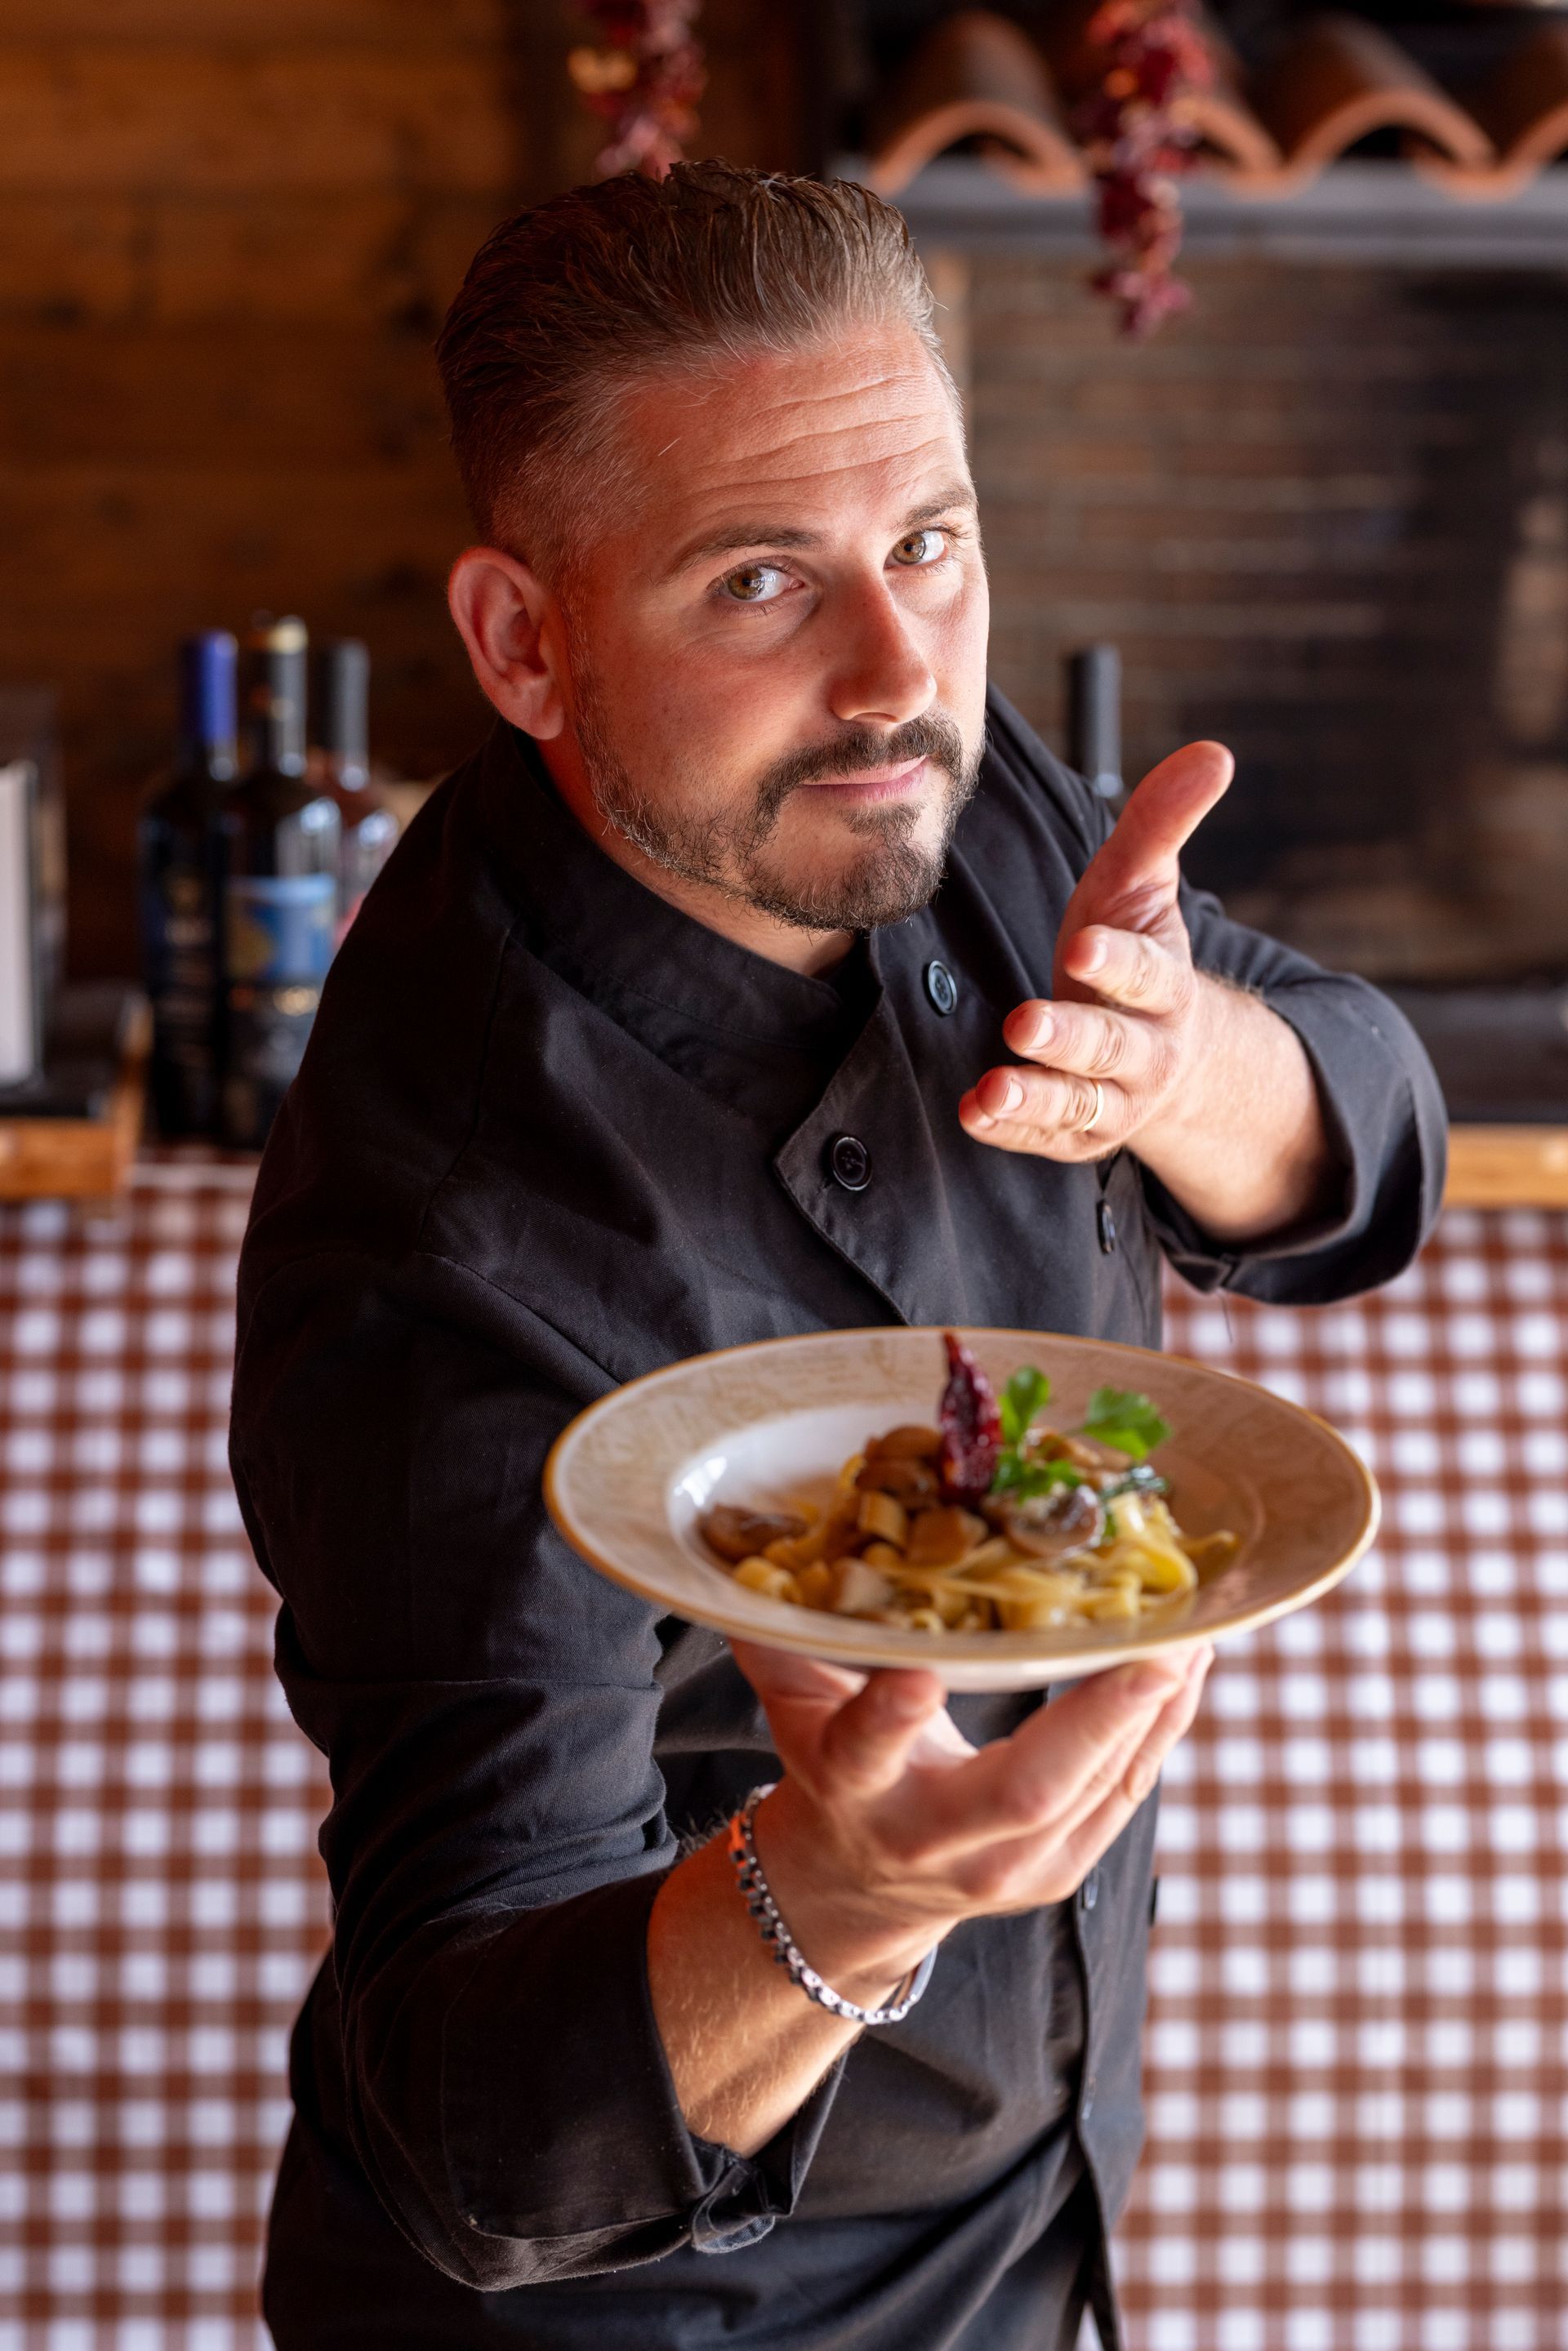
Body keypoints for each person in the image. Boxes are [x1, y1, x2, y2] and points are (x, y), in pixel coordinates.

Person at [232, 164, 1444, 2350]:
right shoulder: (450, 1232)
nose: (899, 672)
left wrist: (1183, 1065)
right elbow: (475, 2139)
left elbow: (1366, 1156)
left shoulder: (911, 787)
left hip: (1029, 2222)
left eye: (932, 542)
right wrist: (846, 1896)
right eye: (763, 580)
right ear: (524, 642)